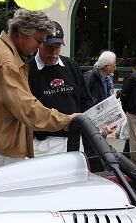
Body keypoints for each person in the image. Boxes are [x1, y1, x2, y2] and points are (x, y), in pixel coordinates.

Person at [0, 9, 78, 170]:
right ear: (22, 33)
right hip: (5, 148)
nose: (40, 46)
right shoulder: (8, 63)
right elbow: (27, 108)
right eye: (38, 40)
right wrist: (66, 120)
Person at [28, 21, 93, 156]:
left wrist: (98, 122)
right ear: (40, 44)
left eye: (57, 47)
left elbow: (85, 101)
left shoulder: (71, 65)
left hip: (74, 140)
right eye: (48, 47)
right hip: (43, 145)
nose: (53, 52)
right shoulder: (28, 70)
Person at [82, 51, 117, 171]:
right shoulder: (90, 77)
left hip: (102, 121)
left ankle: (99, 168)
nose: (115, 67)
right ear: (106, 67)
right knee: (93, 149)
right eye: (113, 65)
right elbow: (85, 102)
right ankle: (95, 171)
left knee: (100, 147)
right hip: (92, 122)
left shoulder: (108, 78)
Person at [119, 58, 136, 164]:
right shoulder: (135, 78)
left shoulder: (132, 78)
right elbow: (124, 94)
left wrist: (126, 108)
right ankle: (135, 159)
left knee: (135, 137)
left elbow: (124, 94)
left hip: (135, 110)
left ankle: (134, 159)